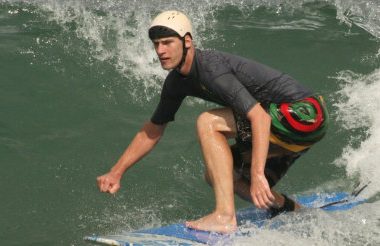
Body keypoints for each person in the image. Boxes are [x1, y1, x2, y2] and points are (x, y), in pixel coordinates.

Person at [97, 10, 329, 233]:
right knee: (220, 177)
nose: (160, 50)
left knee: (208, 121)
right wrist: (116, 172)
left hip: (306, 113)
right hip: (292, 127)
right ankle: (287, 208)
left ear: (187, 41)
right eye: (156, 44)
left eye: (167, 42)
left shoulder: (210, 68)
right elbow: (152, 130)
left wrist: (258, 174)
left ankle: (225, 216)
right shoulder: (176, 83)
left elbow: (258, 117)